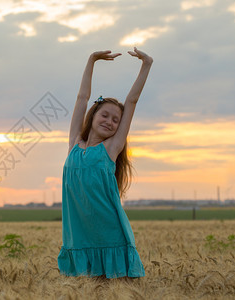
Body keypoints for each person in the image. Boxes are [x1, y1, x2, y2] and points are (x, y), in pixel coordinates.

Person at [57, 47, 153, 279]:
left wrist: (146, 64)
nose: (110, 122)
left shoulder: (111, 149)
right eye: (105, 115)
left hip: (108, 229)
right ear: (93, 116)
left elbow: (131, 101)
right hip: (78, 232)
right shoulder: (74, 143)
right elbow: (82, 98)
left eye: (116, 120)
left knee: (115, 285)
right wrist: (91, 60)